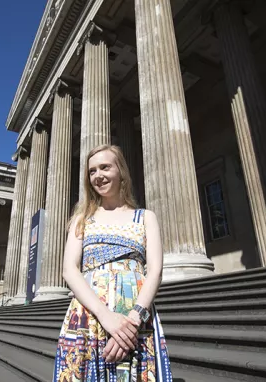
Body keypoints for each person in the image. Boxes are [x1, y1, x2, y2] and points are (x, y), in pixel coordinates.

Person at [53, 145, 173, 381]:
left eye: (105, 167)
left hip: (136, 318)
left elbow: (155, 271)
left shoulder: (146, 217)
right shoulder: (82, 219)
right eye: (92, 171)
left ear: (121, 170)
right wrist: (106, 316)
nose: (98, 175)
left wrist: (132, 321)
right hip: (90, 317)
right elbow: (69, 270)